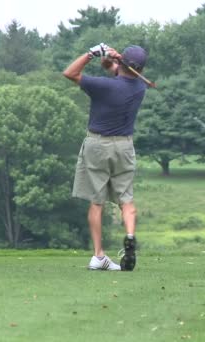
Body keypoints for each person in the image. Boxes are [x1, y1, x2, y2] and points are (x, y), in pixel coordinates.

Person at [63, 43, 148, 271]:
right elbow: (114, 70)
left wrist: (91, 53)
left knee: (96, 201)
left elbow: (70, 73)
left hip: (97, 145)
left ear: (123, 64)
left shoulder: (102, 86)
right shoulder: (140, 87)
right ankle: (129, 235)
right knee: (126, 200)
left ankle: (99, 255)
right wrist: (113, 60)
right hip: (124, 146)